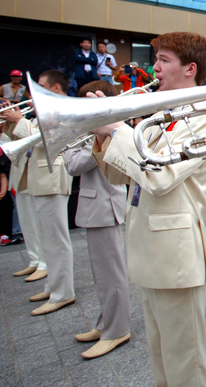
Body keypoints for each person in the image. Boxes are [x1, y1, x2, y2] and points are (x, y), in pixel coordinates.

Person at [91, 32, 206, 386]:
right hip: (148, 251)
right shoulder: (159, 114)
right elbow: (120, 175)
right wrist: (103, 136)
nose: (155, 68)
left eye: (163, 60)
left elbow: (160, 178)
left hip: (176, 257)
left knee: (186, 363)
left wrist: (118, 130)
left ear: (189, 69)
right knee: (161, 358)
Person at [63, 80, 130, 359]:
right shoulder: (88, 132)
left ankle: (117, 330)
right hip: (94, 205)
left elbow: (77, 164)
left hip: (106, 205)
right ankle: (106, 324)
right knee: (102, 274)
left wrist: (101, 137)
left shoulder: (113, 131)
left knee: (112, 274)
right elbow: (70, 164)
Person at [0, 70, 75, 316]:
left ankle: (63, 293)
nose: (32, 94)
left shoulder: (62, 108)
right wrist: (10, 123)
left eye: (39, 87)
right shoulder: (41, 112)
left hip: (52, 178)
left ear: (54, 88)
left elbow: (47, 139)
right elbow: (24, 140)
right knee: (47, 239)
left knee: (56, 240)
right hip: (40, 178)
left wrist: (19, 120)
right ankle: (53, 286)